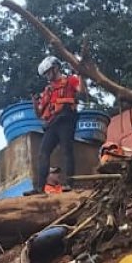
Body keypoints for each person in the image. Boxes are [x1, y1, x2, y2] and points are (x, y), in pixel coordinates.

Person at [33, 57, 85, 193]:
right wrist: (34, 102)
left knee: (66, 150)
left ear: (55, 68)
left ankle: (69, 183)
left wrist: (81, 75)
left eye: (48, 72)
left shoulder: (70, 80)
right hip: (52, 123)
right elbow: (39, 114)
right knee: (43, 153)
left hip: (66, 120)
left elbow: (82, 92)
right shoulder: (48, 89)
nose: (47, 76)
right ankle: (39, 188)